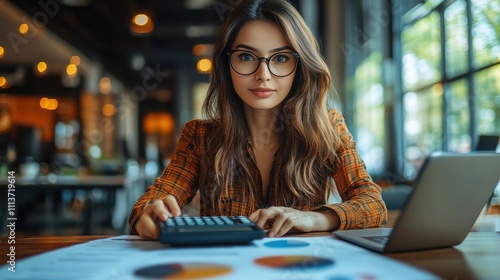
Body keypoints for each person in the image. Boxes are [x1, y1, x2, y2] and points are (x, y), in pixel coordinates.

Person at [129, 0, 387, 239]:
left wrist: (315, 219)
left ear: (301, 67)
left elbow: (372, 205)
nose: (263, 75)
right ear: (226, 64)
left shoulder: (327, 127)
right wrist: (150, 215)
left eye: (281, 58)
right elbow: (147, 206)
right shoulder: (199, 136)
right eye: (246, 56)